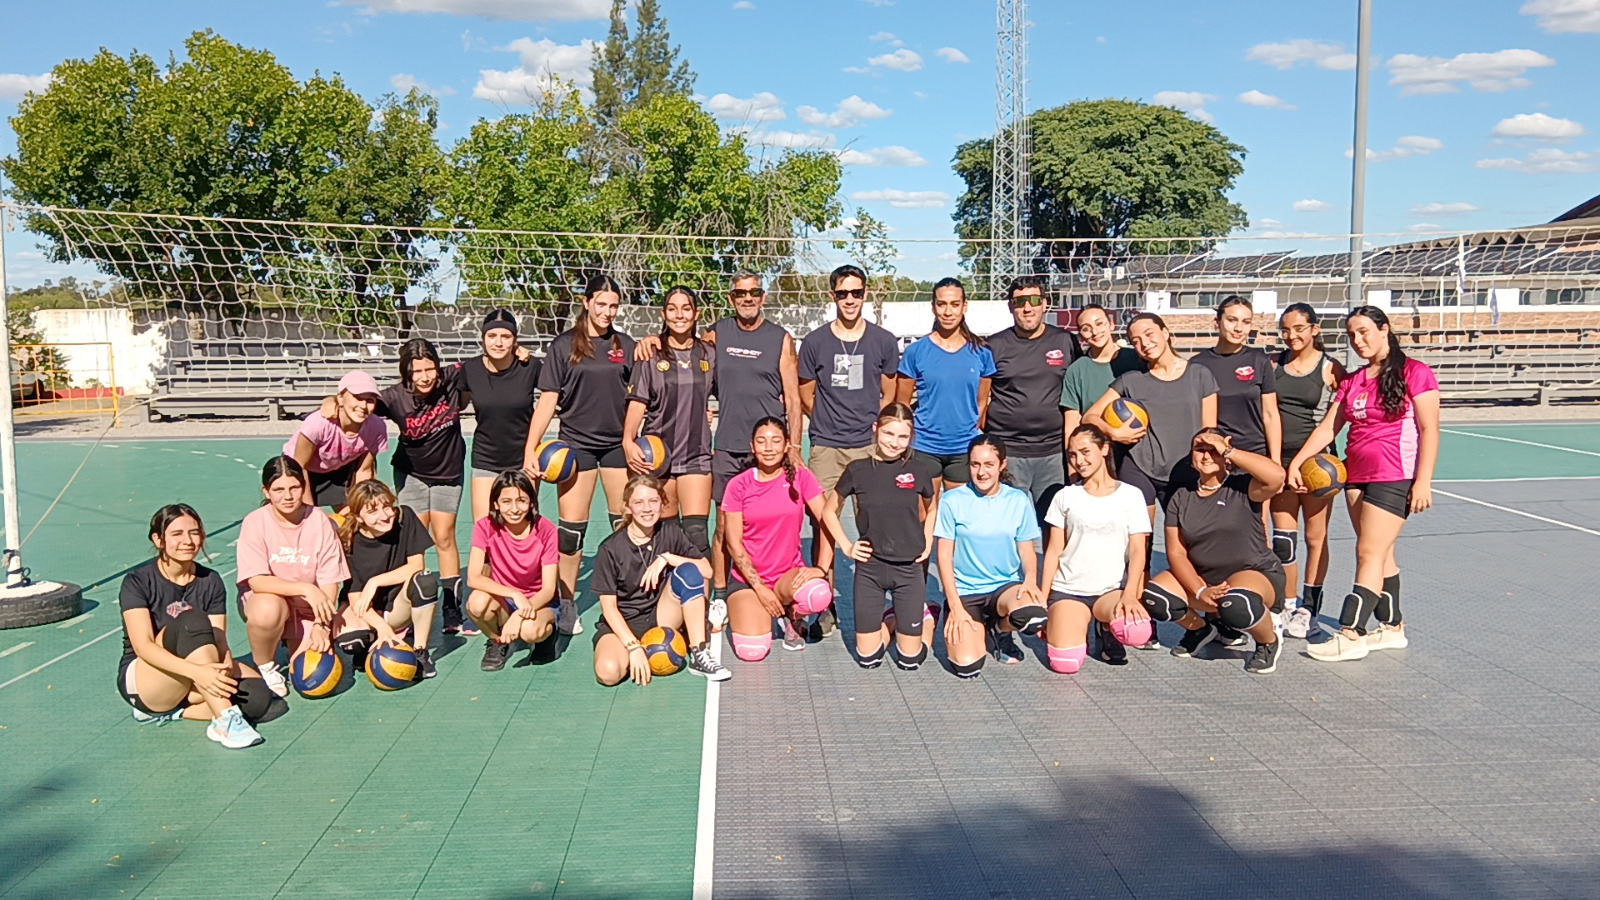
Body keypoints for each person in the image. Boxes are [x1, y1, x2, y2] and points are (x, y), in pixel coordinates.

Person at [636, 272, 802, 634]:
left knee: (778, 523)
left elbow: (793, 398)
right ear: (731, 298)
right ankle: (720, 597)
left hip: (770, 449)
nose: (748, 298)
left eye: (754, 292)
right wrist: (652, 339)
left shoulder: (780, 338)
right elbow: (681, 342)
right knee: (725, 528)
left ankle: (789, 596)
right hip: (727, 446)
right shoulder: (717, 334)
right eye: (741, 293)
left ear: (763, 296)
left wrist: (794, 446)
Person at [1289, 305, 1439, 662]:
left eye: (1365, 332)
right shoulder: (1354, 380)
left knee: (1367, 553)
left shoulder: (1415, 372)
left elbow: (1430, 428)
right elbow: (1329, 427)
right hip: (1355, 476)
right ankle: (1391, 628)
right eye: (1352, 335)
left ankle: (1350, 633)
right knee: (1380, 553)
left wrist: (1423, 481)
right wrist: (1297, 461)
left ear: (1385, 329)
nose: (1358, 340)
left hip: (1395, 475)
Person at [319, 337, 475, 635]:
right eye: (417, 371)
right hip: (412, 473)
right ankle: (414, 605)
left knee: (444, 536)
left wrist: (519, 352)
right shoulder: (393, 397)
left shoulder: (452, 378)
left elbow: (486, 365)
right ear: (406, 372)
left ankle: (452, 608)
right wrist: (330, 400)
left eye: (429, 369)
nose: (425, 376)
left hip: (449, 471)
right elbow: (357, 403)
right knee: (415, 537)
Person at [527, 275, 637, 637]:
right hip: (576, 446)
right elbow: (547, 400)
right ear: (586, 302)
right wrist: (531, 447)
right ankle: (567, 601)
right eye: (601, 304)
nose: (607, 312)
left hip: (617, 446)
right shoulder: (563, 346)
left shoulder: (627, 345)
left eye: (613, 305)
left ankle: (627, 597)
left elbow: (643, 396)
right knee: (572, 533)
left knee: (624, 525)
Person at [118, 504, 269, 749]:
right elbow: (143, 646)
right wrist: (198, 673)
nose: (187, 541)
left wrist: (225, 666)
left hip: (195, 673)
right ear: (158, 540)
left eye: (194, 532)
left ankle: (176, 712)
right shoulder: (137, 581)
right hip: (149, 679)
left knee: (259, 699)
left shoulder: (210, 580)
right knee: (191, 619)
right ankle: (226, 721)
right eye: (177, 534)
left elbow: (219, 640)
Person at [1141, 429, 1287, 675]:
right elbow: (1176, 553)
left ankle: (1268, 641)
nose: (1207, 456)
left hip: (1253, 573)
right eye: (1200, 450)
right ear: (1191, 456)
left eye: (1214, 450)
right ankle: (1201, 629)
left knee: (1237, 605)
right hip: (1206, 579)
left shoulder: (1242, 487)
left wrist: (1229, 450)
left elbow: (1277, 477)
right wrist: (1200, 590)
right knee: (1156, 597)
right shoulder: (1181, 497)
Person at [798, 264, 899, 599]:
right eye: (843, 293)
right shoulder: (814, 342)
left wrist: (873, 430)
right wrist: (829, 420)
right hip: (827, 446)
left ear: (865, 294)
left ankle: (872, 593)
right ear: (833, 297)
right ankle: (821, 598)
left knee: (875, 521)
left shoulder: (883, 341)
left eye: (856, 292)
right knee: (823, 524)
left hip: (869, 447)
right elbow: (805, 396)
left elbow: (889, 394)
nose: (850, 299)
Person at [819, 403, 939, 670]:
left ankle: (927, 617)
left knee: (911, 661)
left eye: (902, 437)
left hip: (909, 570)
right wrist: (848, 547)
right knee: (868, 659)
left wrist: (928, 539)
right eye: (888, 434)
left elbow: (932, 509)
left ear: (911, 438)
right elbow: (829, 511)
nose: (894, 443)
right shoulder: (857, 470)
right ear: (875, 430)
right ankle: (894, 619)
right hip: (870, 570)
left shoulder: (920, 470)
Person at [722, 417, 846, 660]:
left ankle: (792, 616)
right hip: (749, 581)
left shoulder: (801, 478)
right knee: (752, 652)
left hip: (787, 576)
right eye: (762, 441)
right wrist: (759, 588)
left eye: (776, 441)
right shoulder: (738, 485)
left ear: (787, 445)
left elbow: (827, 521)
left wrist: (821, 568)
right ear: (752, 446)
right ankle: (760, 611)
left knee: (819, 594)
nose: (769, 448)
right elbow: (733, 544)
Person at [591, 475, 729, 685]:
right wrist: (633, 646)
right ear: (627, 507)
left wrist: (667, 558)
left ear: (663, 504)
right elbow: (609, 608)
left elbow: (707, 571)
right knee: (608, 674)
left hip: (662, 614)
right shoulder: (610, 549)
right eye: (638, 502)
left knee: (689, 570)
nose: (647, 508)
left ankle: (698, 652)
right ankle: (637, 654)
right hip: (625, 620)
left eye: (653, 501)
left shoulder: (670, 532)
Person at [236, 456, 351, 699]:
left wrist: (322, 625)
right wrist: (306, 589)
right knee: (267, 609)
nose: (287, 496)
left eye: (294, 488)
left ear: (303, 487)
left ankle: (294, 638)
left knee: (310, 676)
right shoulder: (255, 523)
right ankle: (266, 666)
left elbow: (330, 581)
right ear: (266, 491)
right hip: (271, 602)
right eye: (278, 489)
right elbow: (257, 581)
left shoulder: (319, 520)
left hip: (310, 609)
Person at [1085, 313, 1220, 518]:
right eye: (1136, 342)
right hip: (1139, 467)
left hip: (1184, 469)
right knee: (1140, 540)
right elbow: (1089, 416)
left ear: (1165, 333)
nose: (1145, 344)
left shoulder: (1200, 375)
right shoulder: (1131, 380)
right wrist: (1113, 433)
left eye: (1149, 334)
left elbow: (1209, 433)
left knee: (1183, 545)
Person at [1040, 426, 1151, 672]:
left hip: (1110, 590)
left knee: (1137, 631)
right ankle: (1075, 622)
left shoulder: (1131, 496)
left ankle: (1105, 626)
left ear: (1104, 449)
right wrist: (1043, 600)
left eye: (1085, 452)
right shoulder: (1065, 496)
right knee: (1064, 664)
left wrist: (1130, 594)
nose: (1079, 461)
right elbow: (1053, 551)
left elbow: (1137, 551)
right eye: (1072, 454)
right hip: (1069, 589)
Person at [933, 436, 1046, 677]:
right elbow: (943, 555)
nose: (981, 472)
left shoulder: (1017, 500)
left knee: (1033, 614)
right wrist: (955, 605)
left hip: (1004, 587)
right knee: (967, 666)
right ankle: (974, 627)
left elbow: (1026, 548)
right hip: (966, 592)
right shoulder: (951, 500)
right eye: (975, 465)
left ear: (1001, 465)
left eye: (988, 465)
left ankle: (1000, 629)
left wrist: (1029, 580)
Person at [1270, 303, 1346, 639]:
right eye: (1285, 330)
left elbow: (1336, 420)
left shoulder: (1331, 369)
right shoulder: (1273, 364)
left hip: (1317, 466)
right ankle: (1287, 604)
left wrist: (1303, 462)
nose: (1292, 335)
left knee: (1316, 538)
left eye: (1299, 328)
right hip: (1280, 465)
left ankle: (1309, 608)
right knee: (1284, 542)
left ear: (1315, 329)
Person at [623, 287, 715, 553]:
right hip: (658, 455)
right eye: (672, 309)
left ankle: (703, 596)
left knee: (697, 536)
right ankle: (666, 595)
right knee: (665, 537)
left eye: (686, 308)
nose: (679, 315)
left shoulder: (709, 354)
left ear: (696, 314)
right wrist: (628, 440)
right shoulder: (650, 354)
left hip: (696, 454)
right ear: (663, 314)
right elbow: (638, 401)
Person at [984, 275, 1079, 507]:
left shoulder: (1065, 341)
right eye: (1020, 302)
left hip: (1053, 451)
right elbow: (980, 397)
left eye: (1034, 300)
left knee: (1053, 524)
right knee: (1005, 523)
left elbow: (1080, 390)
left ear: (1045, 304)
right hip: (1008, 450)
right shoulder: (994, 345)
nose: (1027, 308)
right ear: (1010, 307)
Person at [896, 277, 997, 489]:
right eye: (942, 304)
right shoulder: (916, 352)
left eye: (954, 304)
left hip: (963, 449)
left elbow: (982, 401)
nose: (948, 312)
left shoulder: (981, 353)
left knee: (958, 515)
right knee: (924, 517)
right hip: (924, 447)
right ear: (933, 307)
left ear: (964, 306)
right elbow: (903, 403)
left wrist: (965, 430)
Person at [338, 479, 440, 679]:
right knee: (351, 641)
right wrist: (382, 627)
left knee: (425, 581)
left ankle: (420, 652)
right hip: (365, 608)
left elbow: (416, 566)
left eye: (387, 506)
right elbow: (356, 599)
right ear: (358, 516)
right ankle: (370, 644)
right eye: (373, 511)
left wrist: (374, 582)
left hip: (397, 604)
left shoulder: (404, 517)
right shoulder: (349, 542)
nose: (384, 516)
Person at [465, 470, 560, 671]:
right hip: (506, 598)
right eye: (506, 501)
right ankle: (497, 642)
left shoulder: (546, 530)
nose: (515, 508)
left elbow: (549, 589)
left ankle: (547, 637)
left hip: (540, 601)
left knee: (529, 631)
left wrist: (520, 614)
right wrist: (514, 594)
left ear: (532, 502)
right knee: (476, 603)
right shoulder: (485, 527)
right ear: (496, 504)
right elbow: (473, 578)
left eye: (522, 500)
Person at [461, 309, 540, 524]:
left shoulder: (530, 367)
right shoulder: (470, 370)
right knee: (485, 527)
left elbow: (554, 399)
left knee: (524, 525)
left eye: (506, 337)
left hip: (524, 458)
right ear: (483, 339)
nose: (498, 343)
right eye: (492, 336)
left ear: (514, 340)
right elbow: (454, 404)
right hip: (486, 457)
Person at [1189, 296, 1281, 463]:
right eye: (1232, 320)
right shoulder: (1197, 364)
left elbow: (1270, 414)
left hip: (1255, 454)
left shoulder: (1259, 360)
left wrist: (1275, 460)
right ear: (1217, 322)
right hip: (1215, 456)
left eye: (1246, 322)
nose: (1239, 328)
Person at [285, 371, 387, 513]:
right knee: (300, 516)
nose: (363, 405)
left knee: (353, 517)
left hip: (338, 468)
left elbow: (364, 470)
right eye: (357, 397)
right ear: (340, 398)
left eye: (370, 400)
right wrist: (309, 511)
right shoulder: (319, 423)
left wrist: (360, 509)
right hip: (301, 468)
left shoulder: (376, 427)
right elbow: (300, 465)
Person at [1059, 304, 1142, 439]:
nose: (1095, 332)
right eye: (1086, 328)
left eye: (1099, 324)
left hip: (1138, 446)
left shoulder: (1135, 358)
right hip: (1098, 449)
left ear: (1111, 324)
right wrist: (1071, 457)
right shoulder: (1077, 370)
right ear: (1081, 336)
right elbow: (1072, 424)